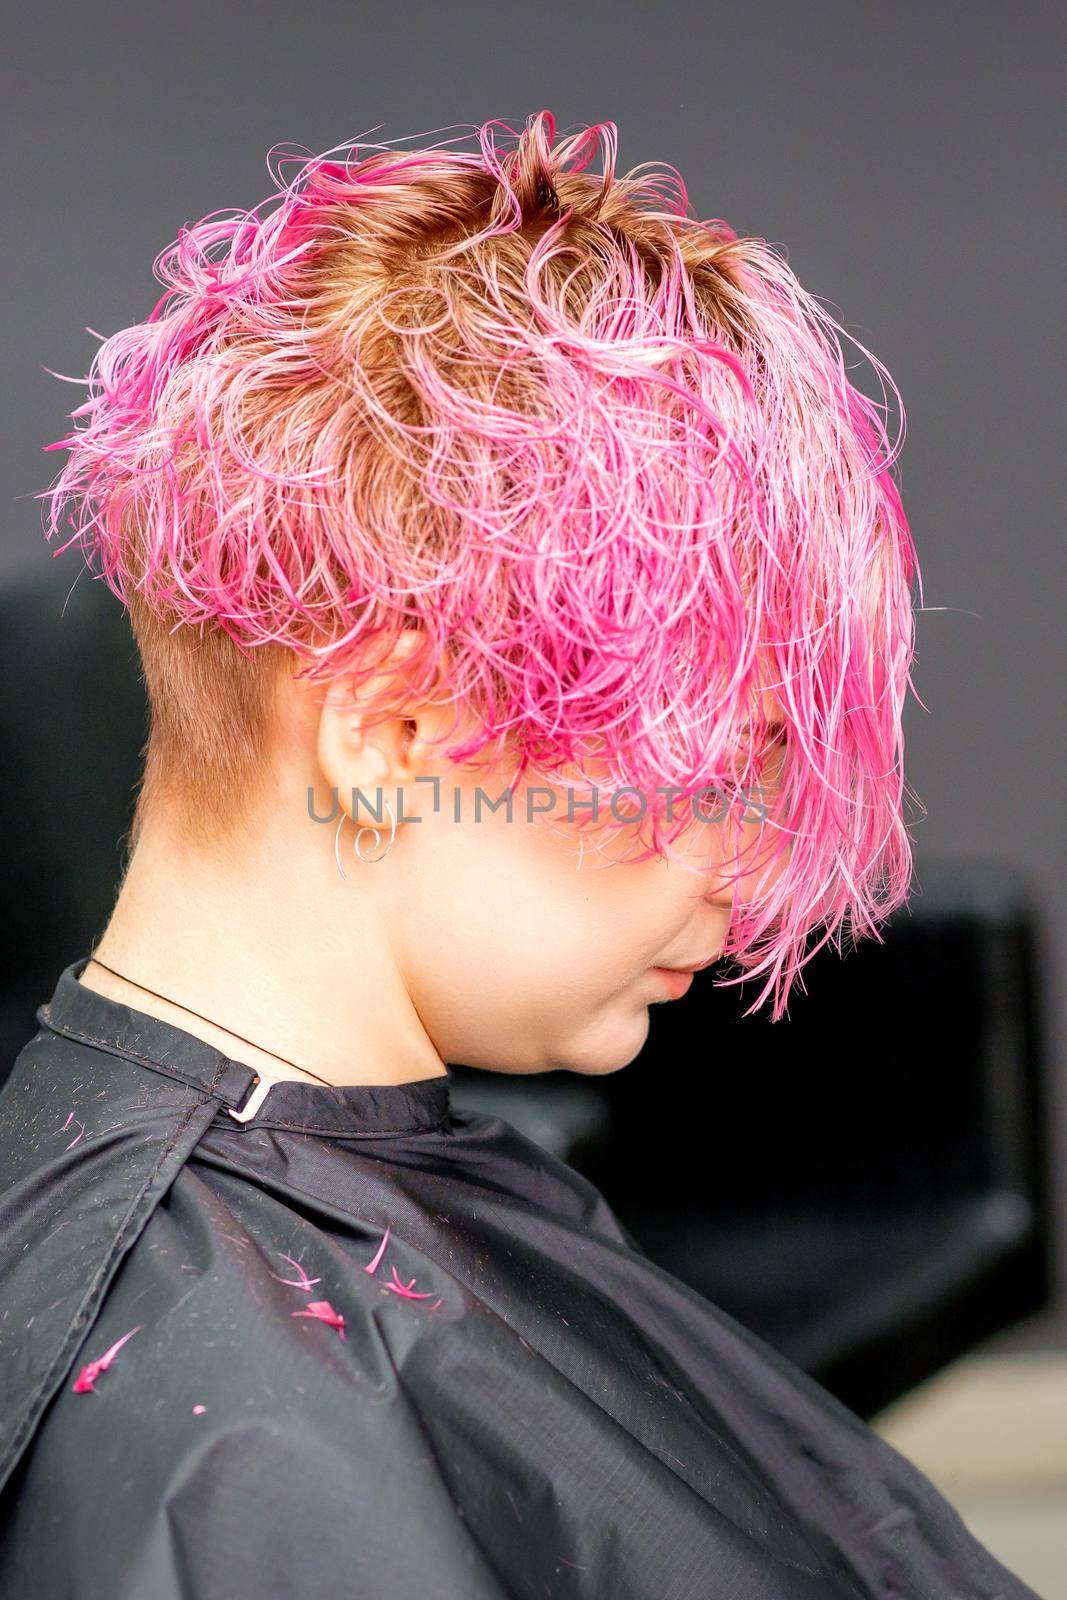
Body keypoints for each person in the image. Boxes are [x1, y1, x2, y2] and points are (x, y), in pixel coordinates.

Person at [0, 111, 1036, 1599]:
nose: (752, 885)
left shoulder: (192, 1243)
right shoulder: (245, 1459)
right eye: (711, 766)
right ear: (394, 728)